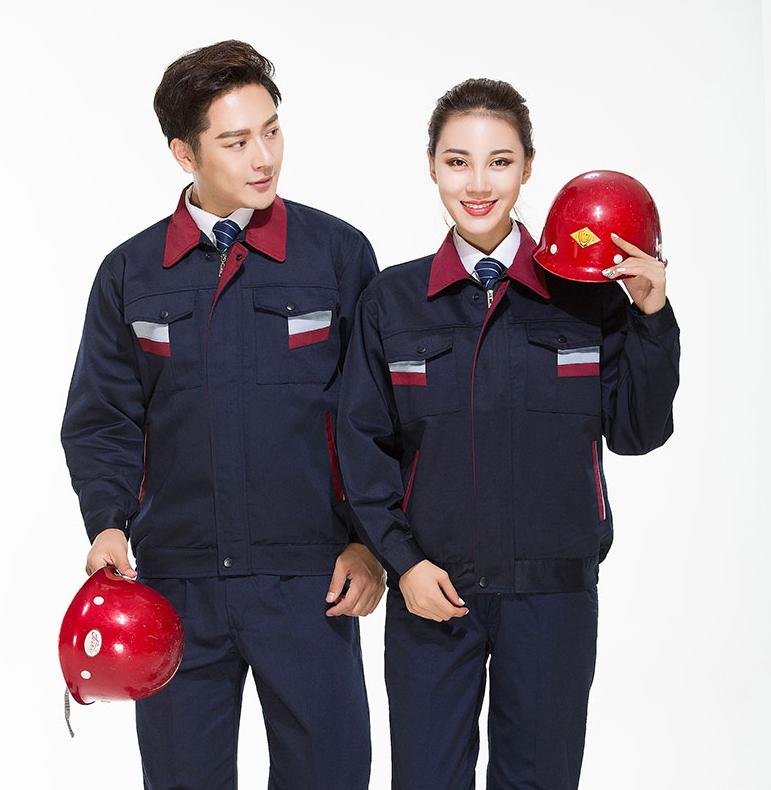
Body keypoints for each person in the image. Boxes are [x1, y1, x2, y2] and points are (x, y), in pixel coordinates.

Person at [337, 78, 680, 789]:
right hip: (433, 593)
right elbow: (362, 449)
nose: (477, 183)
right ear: (431, 166)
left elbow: (637, 432)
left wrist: (650, 317)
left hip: (553, 598)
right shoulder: (392, 302)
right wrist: (403, 563)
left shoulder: (587, 297)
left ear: (528, 167)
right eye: (457, 161)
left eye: (499, 161)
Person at [61, 40, 383, 790]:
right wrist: (106, 522)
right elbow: (103, 417)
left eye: (271, 130)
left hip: (311, 583)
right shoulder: (131, 273)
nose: (264, 157)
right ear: (184, 153)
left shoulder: (336, 255)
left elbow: (377, 417)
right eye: (236, 142)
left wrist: (371, 545)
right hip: (176, 586)